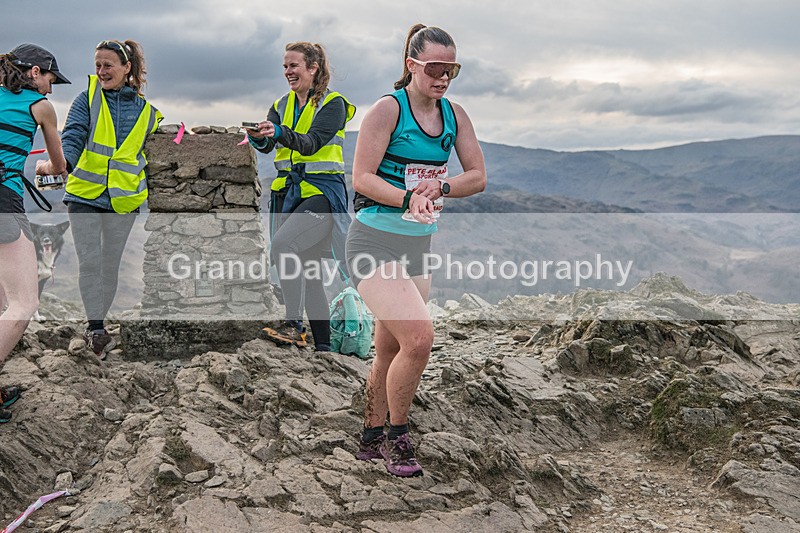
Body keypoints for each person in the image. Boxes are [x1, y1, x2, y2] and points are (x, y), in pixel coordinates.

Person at [347, 24, 486, 477]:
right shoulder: (388, 111)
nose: (444, 77)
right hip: (372, 241)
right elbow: (363, 178)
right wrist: (409, 198)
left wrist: (441, 185)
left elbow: (477, 176)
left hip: (417, 245)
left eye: (452, 69)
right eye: (435, 68)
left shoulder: (455, 115)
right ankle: (398, 438)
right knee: (420, 339)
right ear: (411, 66)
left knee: (390, 347)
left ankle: (369, 436)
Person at [52, 39, 162, 358]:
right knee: (89, 262)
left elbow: (162, 142)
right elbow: (72, 135)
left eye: (108, 65)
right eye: (97, 65)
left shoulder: (147, 112)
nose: (101, 71)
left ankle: (98, 325)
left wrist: (187, 137)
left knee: (109, 265)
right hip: (84, 195)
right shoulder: (86, 98)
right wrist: (64, 164)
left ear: (127, 68)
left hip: (123, 201)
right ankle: (96, 329)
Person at [248, 42, 355, 351]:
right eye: (285, 66)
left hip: (322, 194)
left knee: (283, 246)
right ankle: (323, 348)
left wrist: (278, 132)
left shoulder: (333, 104)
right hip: (290, 195)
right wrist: (261, 138)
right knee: (309, 271)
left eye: (293, 66)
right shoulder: (280, 105)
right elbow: (271, 148)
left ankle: (294, 324)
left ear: (313, 68)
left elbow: (311, 143)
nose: (288, 72)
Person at [0, 43, 70, 423]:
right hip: (3, 200)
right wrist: (44, 168)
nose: (51, 87)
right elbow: (58, 165)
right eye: (50, 77)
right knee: (24, 304)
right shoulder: (39, 106)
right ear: (33, 72)